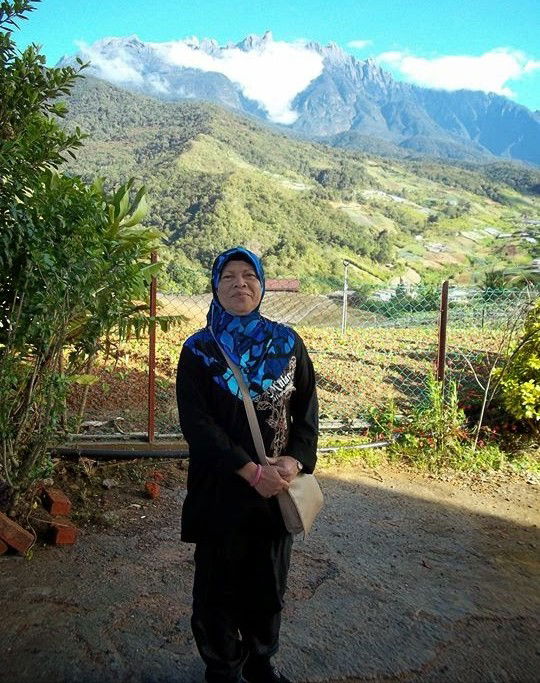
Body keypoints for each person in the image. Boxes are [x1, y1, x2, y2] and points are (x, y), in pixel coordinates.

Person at [176, 247, 318, 683]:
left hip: (275, 493)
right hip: (221, 489)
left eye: (249, 275)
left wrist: (293, 462)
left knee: (268, 584)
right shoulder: (199, 350)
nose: (240, 283)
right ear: (215, 287)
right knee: (216, 588)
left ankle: (260, 664)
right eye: (229, 276)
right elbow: (197, 423)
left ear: (262, 284)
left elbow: (307, 411)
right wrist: (251, 471)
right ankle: (222, 669)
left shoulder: (288, 343)